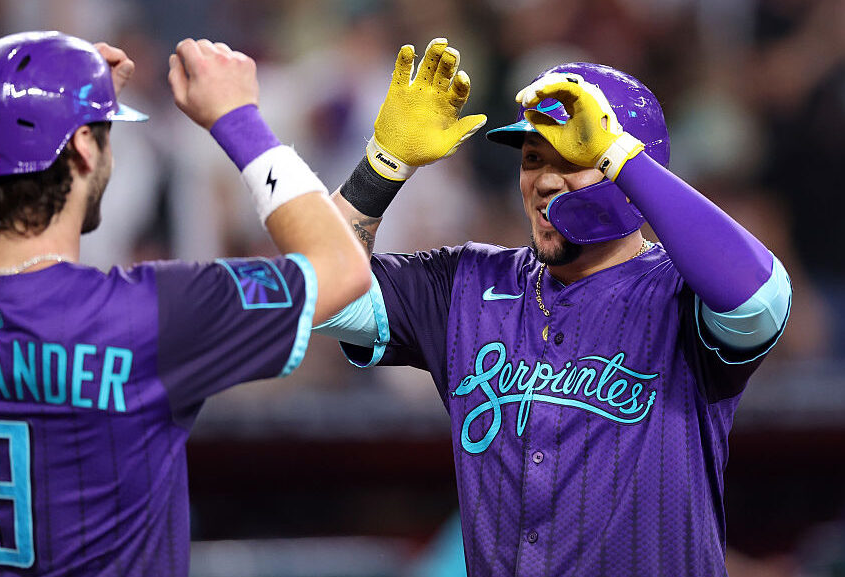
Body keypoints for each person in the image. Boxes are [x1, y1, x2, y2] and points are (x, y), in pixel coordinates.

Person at [0, 31, 369, 576]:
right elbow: (343, 270)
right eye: (103, 135)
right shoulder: (153, 311)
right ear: (84, 147)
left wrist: (2, 137)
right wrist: (236, 116)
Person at [317, 39, 792, 576]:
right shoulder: (468, 282)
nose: (543, 180)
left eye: (574, 160)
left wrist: (620, 159)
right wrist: (382, 167)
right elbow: (324, 293)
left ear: (630, 167)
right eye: (533, 158)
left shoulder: (683, 292)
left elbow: (761, 297)